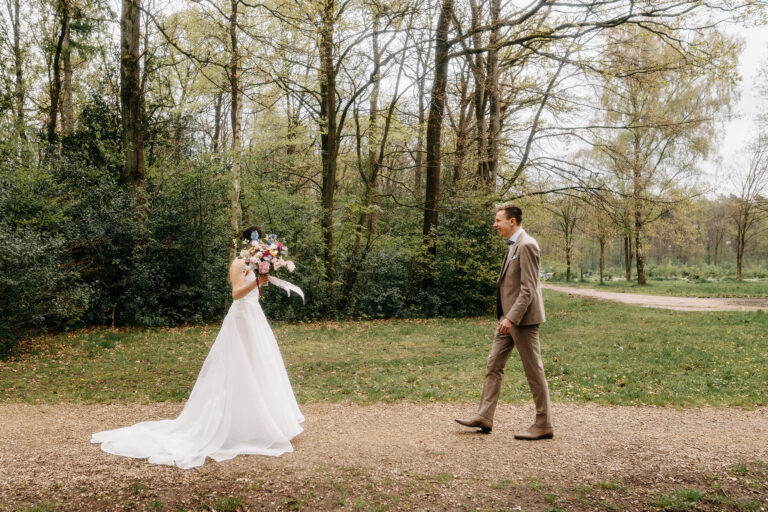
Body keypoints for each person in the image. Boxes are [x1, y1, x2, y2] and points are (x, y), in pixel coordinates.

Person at [91, 225, 304, 468]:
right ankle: (235, 424)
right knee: (239, 366)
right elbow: (236, 294)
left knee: (259, 364)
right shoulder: (239, 264)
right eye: (255, 243)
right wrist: (257, 282)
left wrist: (261, 279)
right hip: (241, 319)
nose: (257, 247)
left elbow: (254, 290)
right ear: (249, 244)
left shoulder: (255, 264)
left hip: (254, 317)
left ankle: (262, 422)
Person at [455, 205, 553, 440]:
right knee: (494, 364)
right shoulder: (512, 246)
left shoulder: (527, 245)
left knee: (534, 371)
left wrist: (511, 317)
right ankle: (484, 416)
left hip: (523, 320)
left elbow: (528, 288)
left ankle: (544, 424)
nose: (494, 224)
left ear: (512, 220)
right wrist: (505, 316)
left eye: (498, 220)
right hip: (507, 320)